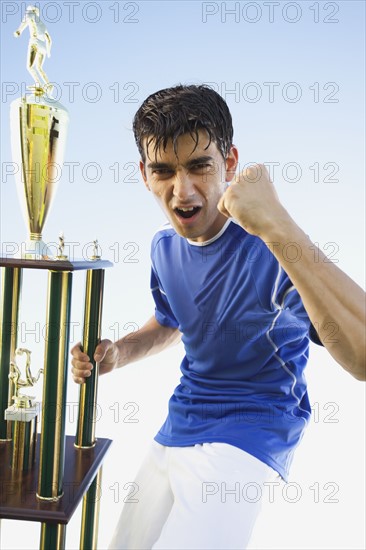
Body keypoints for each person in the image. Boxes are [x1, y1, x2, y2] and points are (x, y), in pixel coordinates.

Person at [71, 84, 365, 549]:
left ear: (229, 163)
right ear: (143, 174)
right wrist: (118, 354)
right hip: (181, 419)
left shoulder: (271, 250)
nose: (181, 191)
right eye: (163, 171)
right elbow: (170, 321)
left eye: (199, 166)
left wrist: (279, 224)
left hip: (251, 427)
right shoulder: (163, 248)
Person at [14, 5, 52, 92]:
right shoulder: (43, 25)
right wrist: (49, 52)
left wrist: (19, 31)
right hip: (43, 47)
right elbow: (49, 39)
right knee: (39, 67)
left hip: (34, 42)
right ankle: (48, 85)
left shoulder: (29, 14)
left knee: (30, 67)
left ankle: (38, 83)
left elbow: (24, 23)